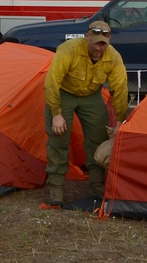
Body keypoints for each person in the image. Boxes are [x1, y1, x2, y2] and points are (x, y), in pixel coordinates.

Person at [43, 20, 128, 207]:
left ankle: (96, 187)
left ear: (109, 40)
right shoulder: (68, 49)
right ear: (87, 37)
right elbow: (51, 83)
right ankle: (56, 187)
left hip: (91, 95)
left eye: (103, 44)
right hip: (64, 93)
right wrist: (56, 114)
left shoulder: (113, 57)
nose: (98, 47)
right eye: (95, 42)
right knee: (58, 139)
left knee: (97, 140)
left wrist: (120, 120)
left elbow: (120, 89)